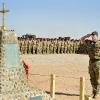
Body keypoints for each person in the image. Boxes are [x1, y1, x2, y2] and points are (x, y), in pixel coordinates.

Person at [81, 31, 100, 99]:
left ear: (97, 36)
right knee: (92, 78)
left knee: (98, 79)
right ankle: (94, 92)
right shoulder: (89, 42)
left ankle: (97, 93)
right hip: (91, 62)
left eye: (94, 36)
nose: (92, 37)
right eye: (92, 36)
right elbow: (82, 39)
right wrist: (87, 35)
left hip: (98, 62)